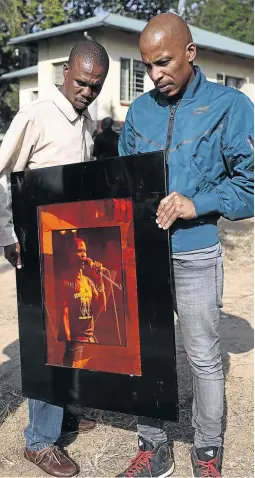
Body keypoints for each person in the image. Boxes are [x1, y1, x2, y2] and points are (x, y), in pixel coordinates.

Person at [118, 13, 254, 478]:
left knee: (203, 357)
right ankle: (152, 449)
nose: (156, 75)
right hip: (145, 257)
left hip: (196, 256)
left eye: (164, 63)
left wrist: (198, 204)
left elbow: (250, 186)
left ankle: (207, 451)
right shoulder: (139, 111)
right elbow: (124, 180)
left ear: (190, 54)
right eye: (147, 66)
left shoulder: (231, 106)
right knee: (147, 353)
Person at [0, 40, 109, 477]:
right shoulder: (36, 115)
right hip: (37, 246)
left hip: (73, 247)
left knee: (72, 333)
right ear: (65, 72)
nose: (87, 91)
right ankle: (40, 441)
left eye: (95, 85)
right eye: (81, 82)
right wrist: (7, 234)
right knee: (49, 342)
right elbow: (2, 174)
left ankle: (61, 414)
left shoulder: (86, 123)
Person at [59, 237, 107, 367]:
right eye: (79, 251)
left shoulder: (89, 281)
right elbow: (64, 315)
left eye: (85, 251)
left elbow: (101, 306)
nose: (84, 254)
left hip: (91, 340)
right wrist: (70, 345)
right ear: (70, 254)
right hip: (76, 344)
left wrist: (99, 279)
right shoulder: (64, 281)